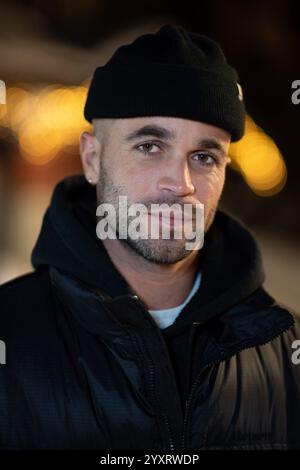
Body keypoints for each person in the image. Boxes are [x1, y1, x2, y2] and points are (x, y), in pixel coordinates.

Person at [0, 23, 300, 451]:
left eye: (203, 156)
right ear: (92, 159)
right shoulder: (10, 336)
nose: (180, 183)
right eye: (149, 146)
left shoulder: (284, 351)